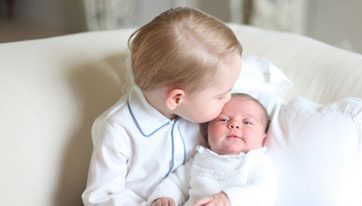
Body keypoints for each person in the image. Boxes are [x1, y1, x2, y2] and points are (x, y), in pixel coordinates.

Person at [82, 7, 243, 205]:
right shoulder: (118, 129)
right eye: (220, 96)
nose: (228, 98)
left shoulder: (200, 107)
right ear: (176, 99)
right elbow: (99, 197)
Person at [148, 93, 277, 206]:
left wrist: (228, 198)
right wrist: (165, 196)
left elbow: (264, 192)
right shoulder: (200, 158)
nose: (234, 124)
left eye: (247, 122)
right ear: (207, 132)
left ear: (263, 139)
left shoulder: (257, 161)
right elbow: (177, 182)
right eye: (223, 119)